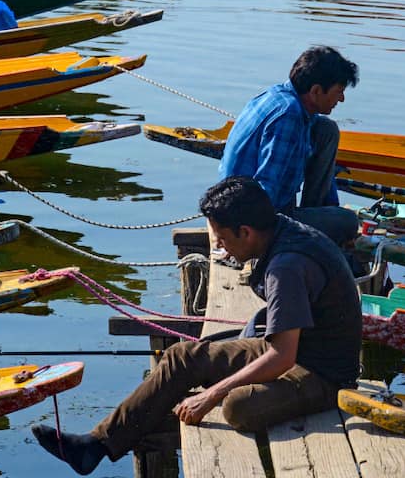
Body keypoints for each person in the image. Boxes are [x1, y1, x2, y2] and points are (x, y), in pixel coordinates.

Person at [31, 176, 362, 475]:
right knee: (181, 358)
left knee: (237, 406)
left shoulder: (286, 267)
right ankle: (95, 445)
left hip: (322, 373)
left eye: (220, 237)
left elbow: (282, 357)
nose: (218, 246)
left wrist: (214, 394)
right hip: (295, 346)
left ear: (245, 231)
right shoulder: (279, 230)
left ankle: (129, 430)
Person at [219, 45, 361, 246]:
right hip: (249, 217)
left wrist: (329, 209)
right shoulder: (289, 117)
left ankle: (315, 214)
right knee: (348, 222)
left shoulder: (281, 96)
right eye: (339, 91)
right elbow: (266, 188)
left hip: (245, 201)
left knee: (326, 129)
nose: (342, 99)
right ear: (316, 91)